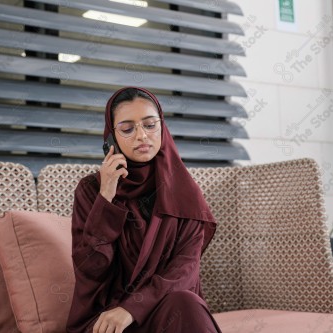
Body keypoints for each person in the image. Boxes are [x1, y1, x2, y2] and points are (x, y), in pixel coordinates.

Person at [66, 87, 222, 333]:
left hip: (162, 310)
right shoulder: (91, 190)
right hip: (107, 321)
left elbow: (184, 270)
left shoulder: (183, 191)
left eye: (150, 125)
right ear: (111, 139)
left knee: (185, 301)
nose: (142, 136)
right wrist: (106, 198)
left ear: (162, 128)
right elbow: (91, 269)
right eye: (127, 129)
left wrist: (132, 308)